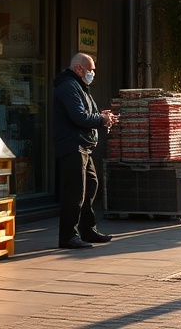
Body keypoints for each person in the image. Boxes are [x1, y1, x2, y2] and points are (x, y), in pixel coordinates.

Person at [53, 52, 118, 249]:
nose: (92, 74)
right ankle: (68, 236)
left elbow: (87, 114)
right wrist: (101, 119)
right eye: (90, 70)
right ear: (79, 68)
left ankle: (87, 230)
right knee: (75, 192)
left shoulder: (80, 86)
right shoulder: (68, 86)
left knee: (90, 185)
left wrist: (101, 116)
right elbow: (79, 117)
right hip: (72, 145)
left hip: (83, 146)